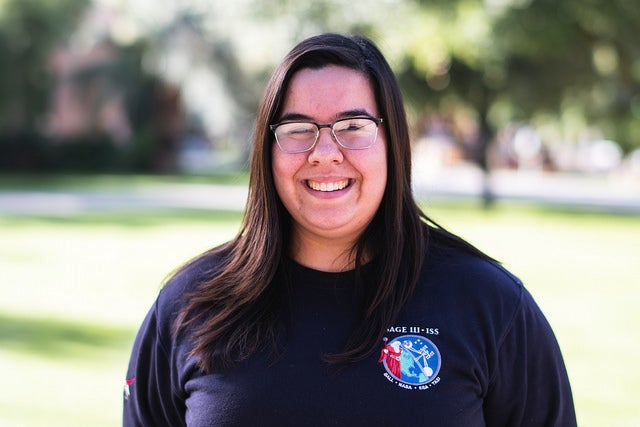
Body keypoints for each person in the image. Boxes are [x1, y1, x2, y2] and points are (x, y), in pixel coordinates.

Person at [123, 33, 577, 426]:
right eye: (298, 128)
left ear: (392, 142)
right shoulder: (190, 307)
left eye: (353, 126)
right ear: (267, 149)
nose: (324, 152)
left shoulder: (490, 306)